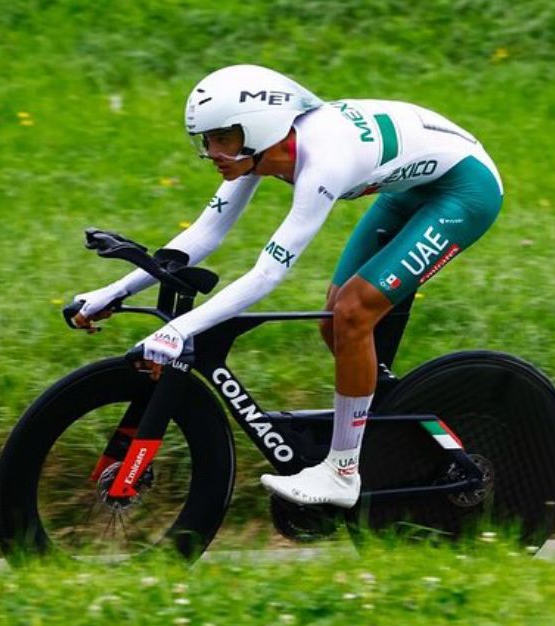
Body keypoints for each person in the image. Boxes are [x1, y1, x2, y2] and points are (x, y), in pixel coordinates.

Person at [69, 64, 503, 508]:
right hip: (409, 190)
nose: (213, 151)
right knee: (333, 326)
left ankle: (342, 474)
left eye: (223, 138)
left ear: (259, 130)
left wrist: (178, 331)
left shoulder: (322, 162)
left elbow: (268, 273)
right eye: (207, 141)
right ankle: (392, 418)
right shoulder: (261, 149)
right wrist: (112, 292)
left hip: (463, 191)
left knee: (353, 314)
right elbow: (204, 236)